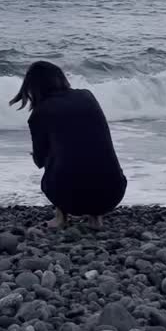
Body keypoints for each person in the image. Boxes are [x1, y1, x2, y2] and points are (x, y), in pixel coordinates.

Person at [10, 60, 127, 229]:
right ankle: (96, 218)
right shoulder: (87, 96)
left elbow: (39, 162)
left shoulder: (40, 112)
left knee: (57, 155)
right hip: (113, 192)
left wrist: (42, 153)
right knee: (89, 148)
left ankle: (61, 217)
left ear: (33, 87)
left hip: (70, 198)